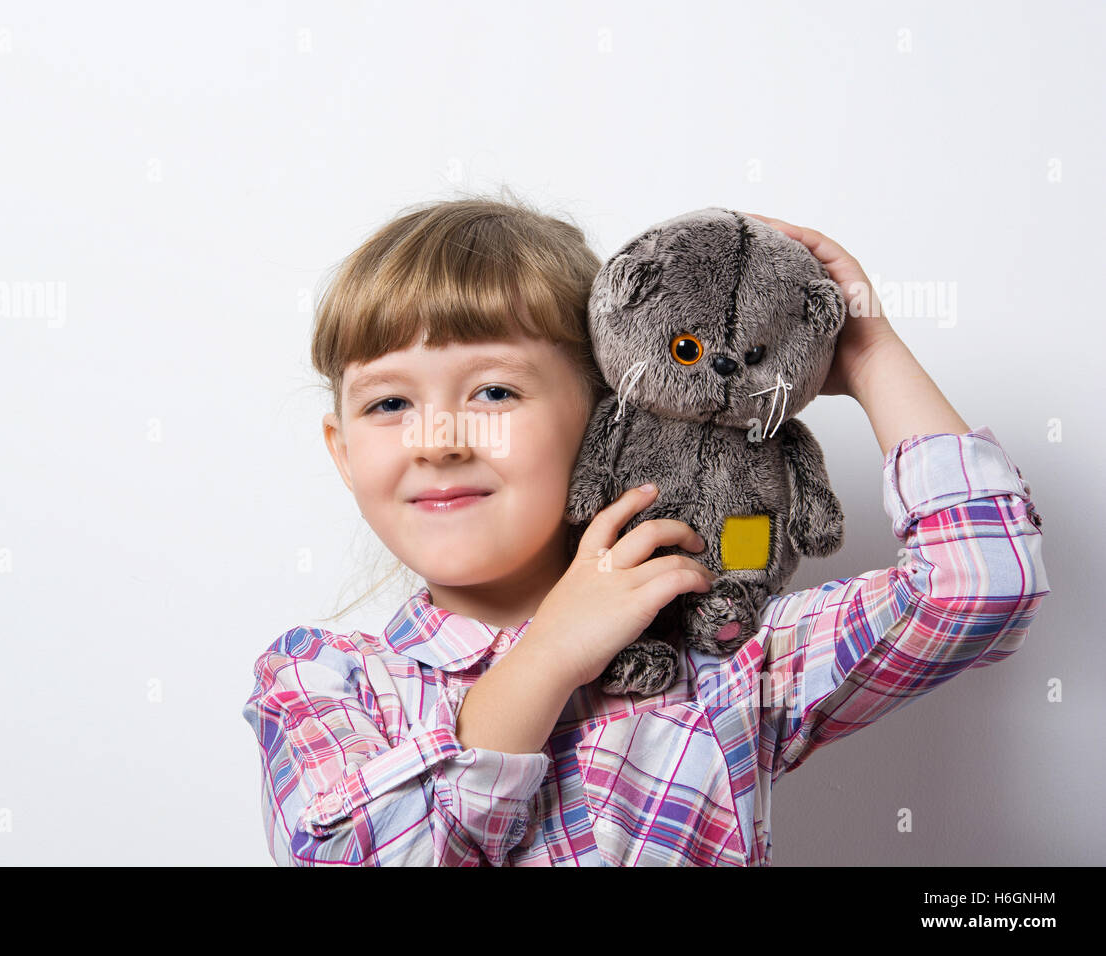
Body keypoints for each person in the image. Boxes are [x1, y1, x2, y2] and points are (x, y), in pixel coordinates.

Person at [241, 194, 1050, 866]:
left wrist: (868, 352)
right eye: (389, 404)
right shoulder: (320, 681)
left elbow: (982, 583)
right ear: (343, 453)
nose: (440, 439)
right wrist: (549, 653)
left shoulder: (725, 658)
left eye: (493, 393)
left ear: (609, 415)